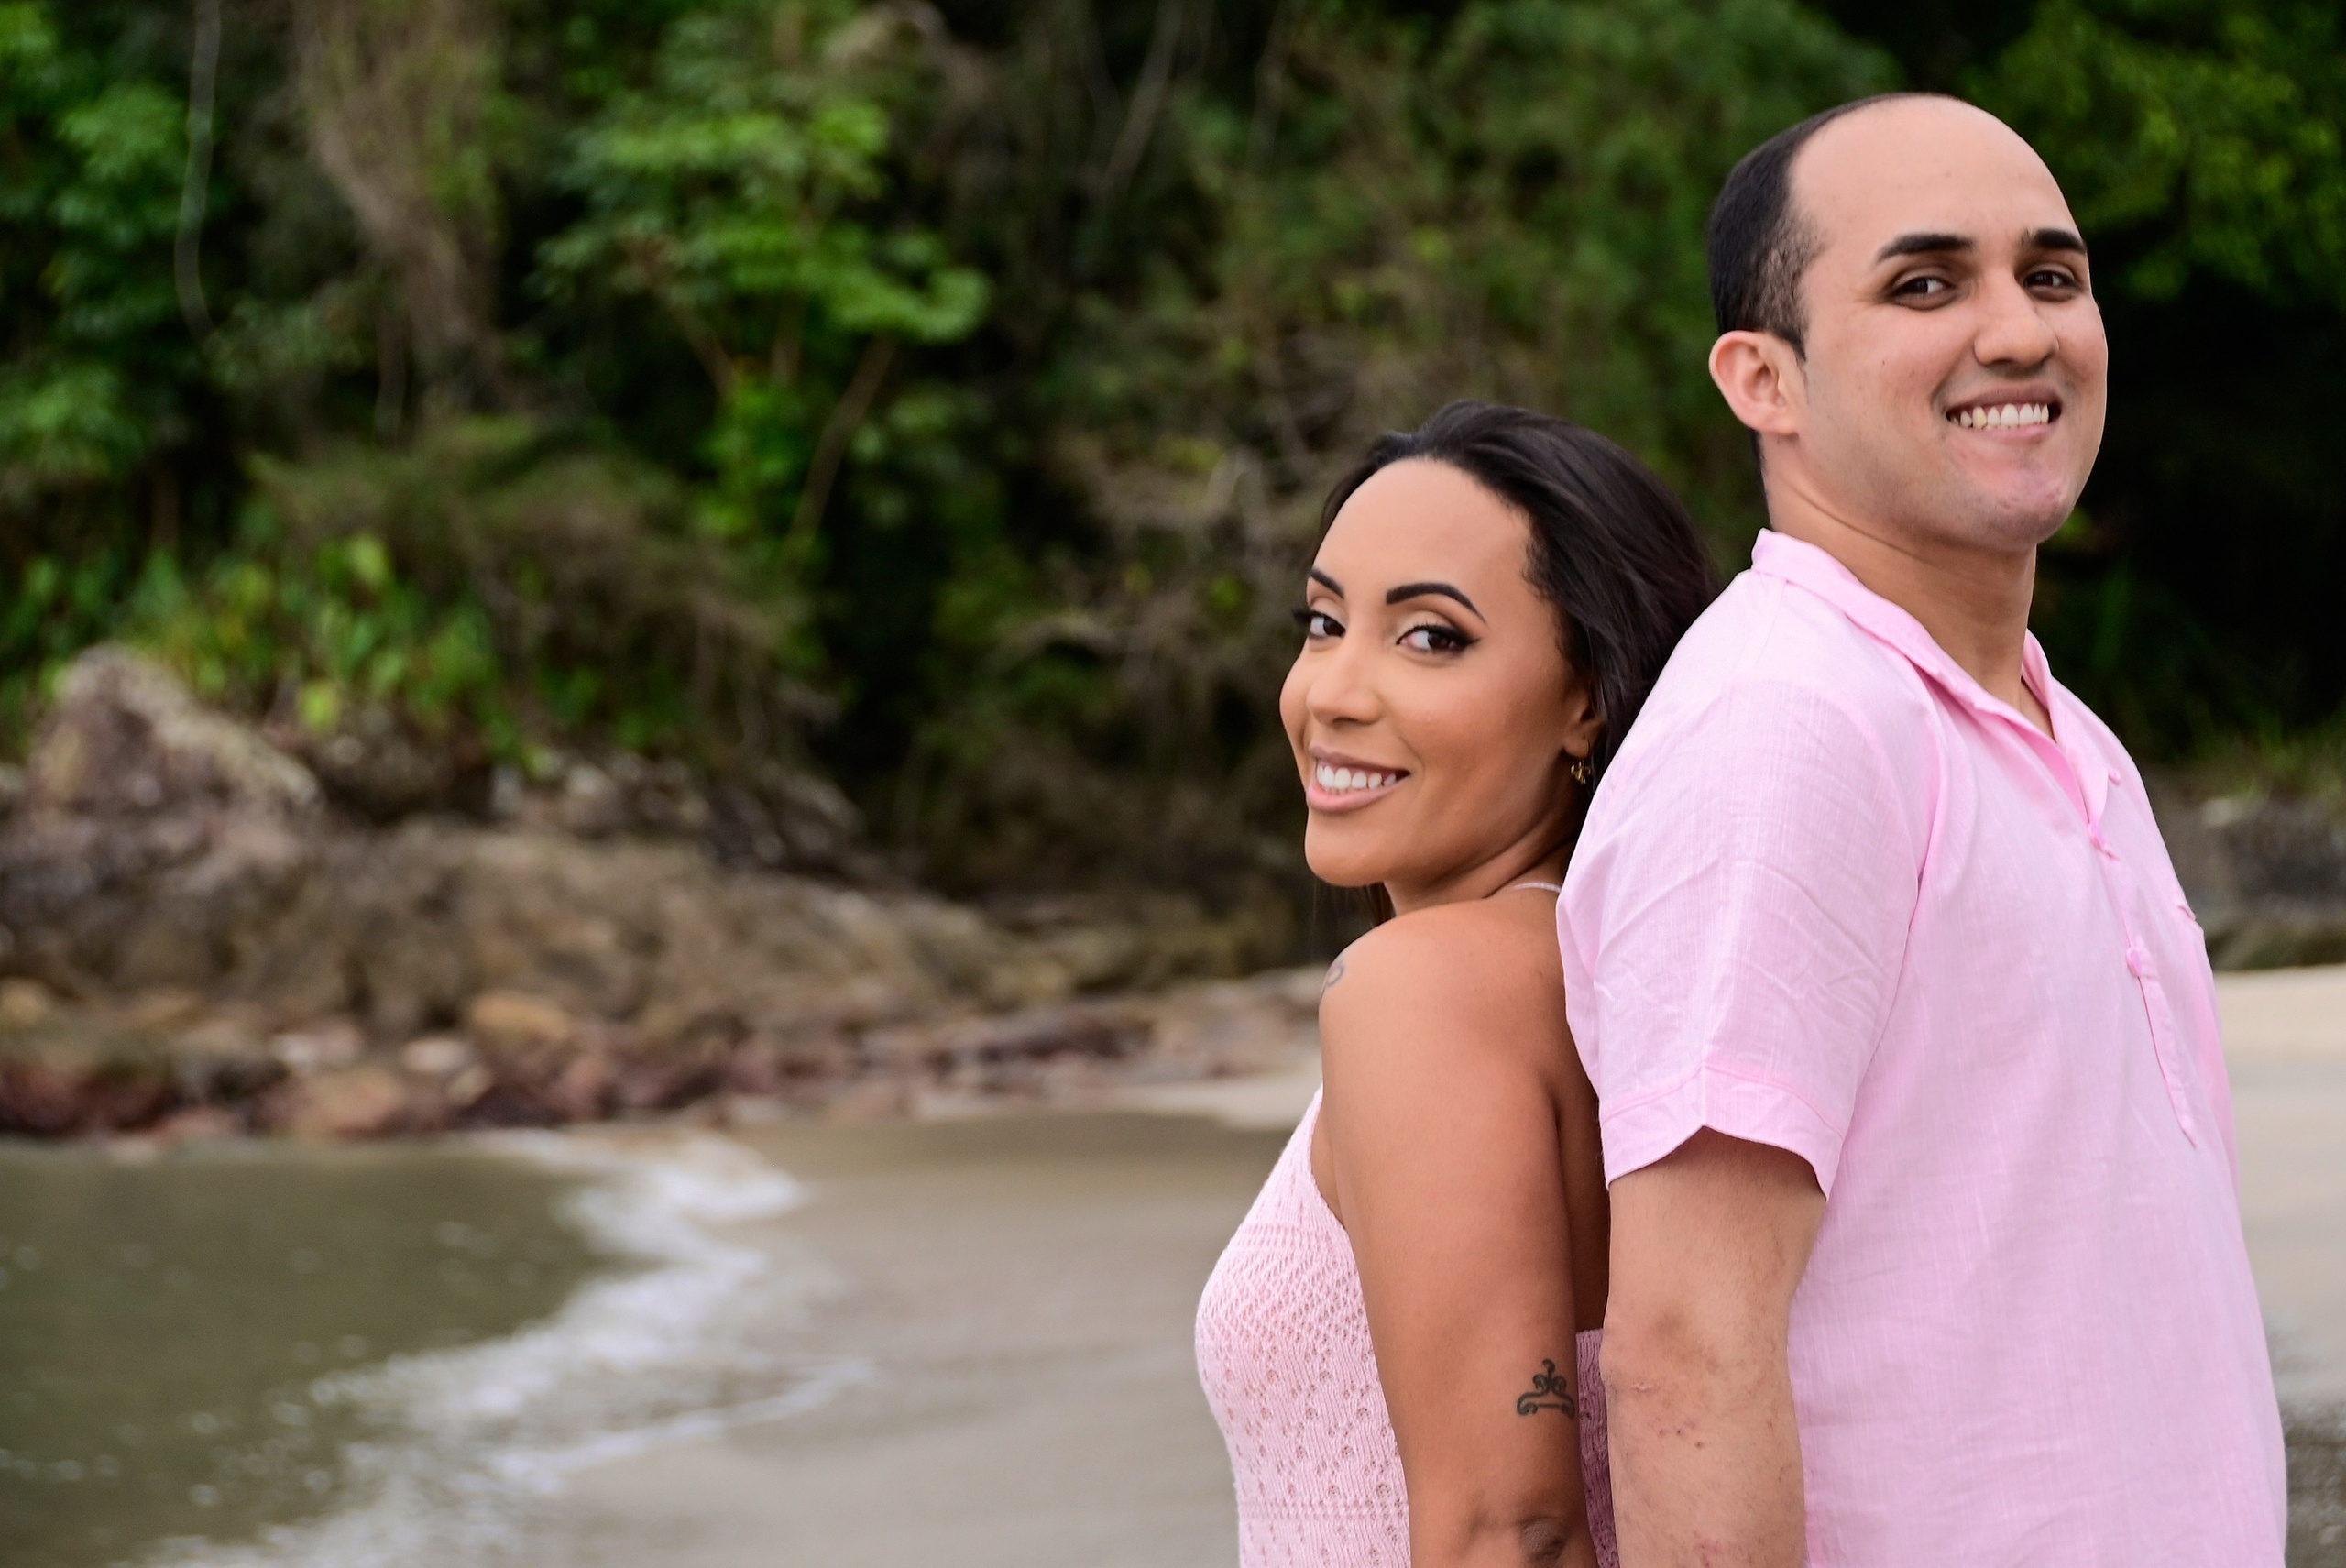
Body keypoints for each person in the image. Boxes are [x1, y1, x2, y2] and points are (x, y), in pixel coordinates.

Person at [1562, 93, 2289, 1566]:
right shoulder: (1786, 727)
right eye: (1925, 284)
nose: (2018, 332)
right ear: (1763, 377)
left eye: (2052, 274)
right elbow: (1688, 1349)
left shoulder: (2061, 734)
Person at [1195, 400, 1717, 1568]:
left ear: (1587, 697)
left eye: (1430, 638)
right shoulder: (1621, 976)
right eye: (1322, 622)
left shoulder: (1423, 993)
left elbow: (1510, 1531)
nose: (1332, 692)